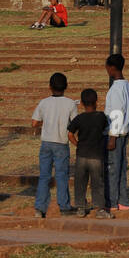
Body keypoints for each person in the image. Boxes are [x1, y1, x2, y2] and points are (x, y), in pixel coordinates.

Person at [31, 72, 79, 218]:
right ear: (66, 86)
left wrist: (44, 122)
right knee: (62, 175)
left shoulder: (44, 102)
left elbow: (34, 123)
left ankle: (40, 208)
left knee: (44, 176)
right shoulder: (70, 103)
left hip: (46, 143)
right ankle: (64, 206)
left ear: (50, 87)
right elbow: (75, 124)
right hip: (61, 142)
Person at [68, 88, 111, 218]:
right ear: (96, 102)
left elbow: (70, 134)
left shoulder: (79, 118)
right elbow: (105, 129)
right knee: (97, 183)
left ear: (81, 103)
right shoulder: (101, 117)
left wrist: (77, 144)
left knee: (80, 182)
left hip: (81, 155)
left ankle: (80, 208)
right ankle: (100, 210)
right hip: (96, 156)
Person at [104, 54, 129, 212]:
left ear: (112, 68)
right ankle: (123, 201)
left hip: (116, 133)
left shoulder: (116, 89)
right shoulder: (128, 86)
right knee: (121, 167)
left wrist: (112, 137)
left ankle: (113, 201)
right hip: (125, 131)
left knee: (113, 168)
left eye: (107, 67)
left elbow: (117, 113)